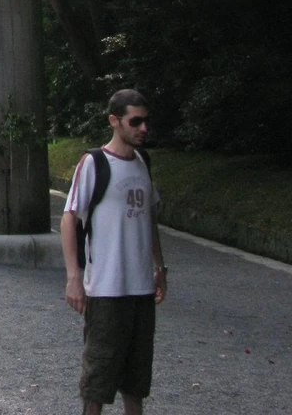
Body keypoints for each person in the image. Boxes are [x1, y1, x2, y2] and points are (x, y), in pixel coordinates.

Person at [60, 89, 167, 415]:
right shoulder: (94, 163)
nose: (143, 128)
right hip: (106, 291)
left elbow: (149, 219)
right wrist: (74, 277)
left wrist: (160, 268)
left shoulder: (143, 163)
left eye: (146, 121)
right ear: (114, 121)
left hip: (141, 291)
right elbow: (69, 218)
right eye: (135, 121)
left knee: (136, 385)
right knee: (97, 384)